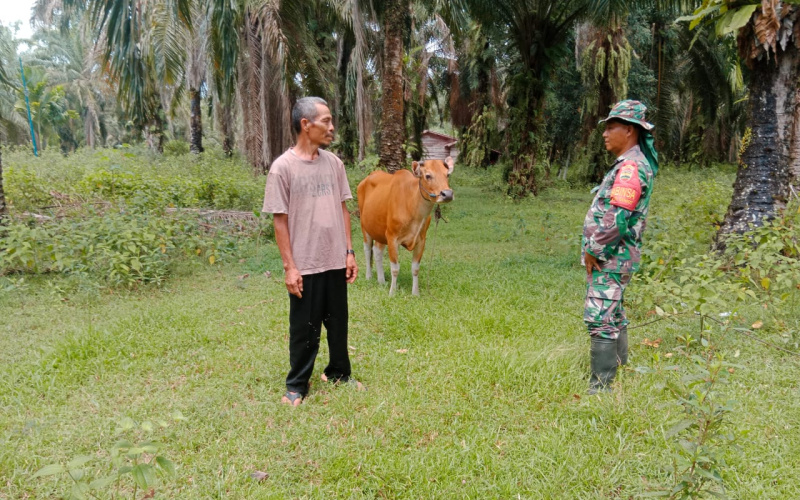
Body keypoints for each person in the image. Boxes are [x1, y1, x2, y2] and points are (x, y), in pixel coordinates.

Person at [262, 96, 361, 406]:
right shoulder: (282, 168)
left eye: (331, 121)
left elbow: (344, 209)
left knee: (338, 322)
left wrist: (349, 251)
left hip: (334, 258)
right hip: (304, 263)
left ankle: (339, 373)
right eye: (326, 121)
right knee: (304, 328)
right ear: (306, 125)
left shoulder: (334, 164)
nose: (331, 127)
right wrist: (290, 267)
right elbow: (280, 222)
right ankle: (296, 385)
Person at [581, 100, 659, 394]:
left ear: (628, 131)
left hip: (611, 257)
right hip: (617, 257)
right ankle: (619, 366)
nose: (605, 133)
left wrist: (594, 249)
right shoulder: (632, 165)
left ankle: (601, 387)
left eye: (611, 127)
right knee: (612, 312)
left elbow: (618, 218)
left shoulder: (630, 168)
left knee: (600, 316)